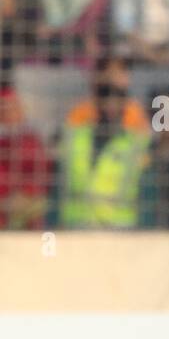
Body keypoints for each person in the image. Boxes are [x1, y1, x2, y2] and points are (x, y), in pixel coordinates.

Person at [56, 66, 151, 229]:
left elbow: (147, 191)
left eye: (117, 102)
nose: (111, 108)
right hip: (75, 226)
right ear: (96, 104)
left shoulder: (136, 145)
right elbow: (57, 184)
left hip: (120, 229)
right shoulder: (74, 138)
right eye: (106, 101)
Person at [0, 86, 53, 230]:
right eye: (4, 110)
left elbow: (41, 179)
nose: (9, 113)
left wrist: (24, 195)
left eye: (13, 107)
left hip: (27, 205)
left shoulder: (32, 142)